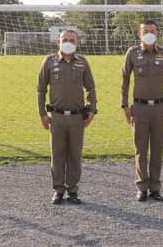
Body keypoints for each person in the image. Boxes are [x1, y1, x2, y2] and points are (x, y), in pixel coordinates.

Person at [37, 29, 97, 205]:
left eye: (72, 40)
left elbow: (91, 88)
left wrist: (92, 110)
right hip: (56, 117)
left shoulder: (82, 62)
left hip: (77, 118)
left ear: (76, 43)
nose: (68, 43)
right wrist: (42, 114)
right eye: (65, 40)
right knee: (57, 155)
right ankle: (58, 190)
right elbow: (41, 89)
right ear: (58, 42)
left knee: (74, 155)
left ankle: (72, 190)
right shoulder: (49, 61)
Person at [121, 20, 163, 201]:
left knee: (158, 149)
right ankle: (142, 187)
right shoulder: (132, 53)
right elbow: (125, 80)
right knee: (141, 150)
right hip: (139, 108)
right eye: (145, 31)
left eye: (152, 30)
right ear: (140, 34)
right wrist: (124, 105)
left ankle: (155, 188)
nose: (149, 33)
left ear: (157, 33)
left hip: (159, 109)